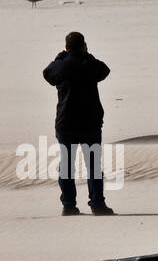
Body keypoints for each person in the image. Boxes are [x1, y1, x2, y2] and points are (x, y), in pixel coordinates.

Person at [42, 32, 115, 215]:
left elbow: (48, 73)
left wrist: (60, 57)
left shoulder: (61, 66)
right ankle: (97, 204)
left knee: (67, 165)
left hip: (66, 123)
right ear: (84, 46)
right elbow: (104, 70)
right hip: (89, 123)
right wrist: (86, 55)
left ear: (66, 47)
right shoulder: (89, 64)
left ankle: (68, 205)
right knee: (93, 166)